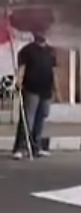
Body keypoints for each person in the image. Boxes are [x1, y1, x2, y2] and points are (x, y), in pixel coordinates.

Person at [12, 31, 57, 159]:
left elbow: (54, 71)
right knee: (28, 120)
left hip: (46, 89)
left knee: (41, 118)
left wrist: (56, 89)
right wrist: (19, 81)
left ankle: (36, 147)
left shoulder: (50, 51)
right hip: (31, 89)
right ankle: (21, 148)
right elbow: (21, 68)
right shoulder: (27, 50)